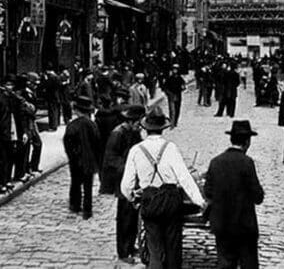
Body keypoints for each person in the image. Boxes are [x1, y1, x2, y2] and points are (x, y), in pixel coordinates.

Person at [120, 106, 206, 269]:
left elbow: (126, 185)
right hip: (171, 201)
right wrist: (199, 201)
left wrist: (133, 199)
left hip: (150, 200)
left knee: (154, 247)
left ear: (145, 128)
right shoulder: (170, 148)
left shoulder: (136, 150)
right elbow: (184, 178)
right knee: (173, 246)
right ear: (162, 129)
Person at [204, 120, 264, 269]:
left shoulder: (215, 162)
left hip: (222, 225)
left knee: (225, 264)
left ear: (231, 139)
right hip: (244, 226)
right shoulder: (247, 162)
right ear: (247, 142)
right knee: (248, 264)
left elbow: (208, 192)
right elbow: (258, 197)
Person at [101, 105, 146, 264]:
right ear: (133, 120)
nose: (140, 126)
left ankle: (131, 246)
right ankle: (123, 251)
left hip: (135, 181)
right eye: (139, 122)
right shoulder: (118, 133)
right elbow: (110, 159)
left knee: (133, 216)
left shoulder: (134, 133)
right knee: (124, 218)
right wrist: (129, 167)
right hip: (124, 181)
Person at [63, 96, 101, 219]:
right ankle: (87, 210)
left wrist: (72, 156)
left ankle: (75, 205)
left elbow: (68, 144)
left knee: (75, 183)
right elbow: (97, 142)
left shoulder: (72, 125)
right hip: (89, 160)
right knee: (88, 186)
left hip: (76, 160)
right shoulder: (92, 125)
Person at [162, 64, 185, 129]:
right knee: (172, 110)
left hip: (178, 95)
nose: (175, 71)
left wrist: (183, 87)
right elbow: (165, 87)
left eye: (176, 69)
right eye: (174, 69)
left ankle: (175, 122)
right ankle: (171, 123)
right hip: (171, 96)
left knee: (177, 109)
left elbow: (183, 85)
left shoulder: (180, 78)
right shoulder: (169, 78)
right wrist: (168, 93)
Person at [44, 65, 62, 131]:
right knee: (56, 110)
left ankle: (53, 126)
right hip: (56, 95)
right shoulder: (57, 77)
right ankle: (56, 123)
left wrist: (46, 80)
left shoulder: (50, 77)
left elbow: (48, 86)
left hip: (51, 96)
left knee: (52, 111)